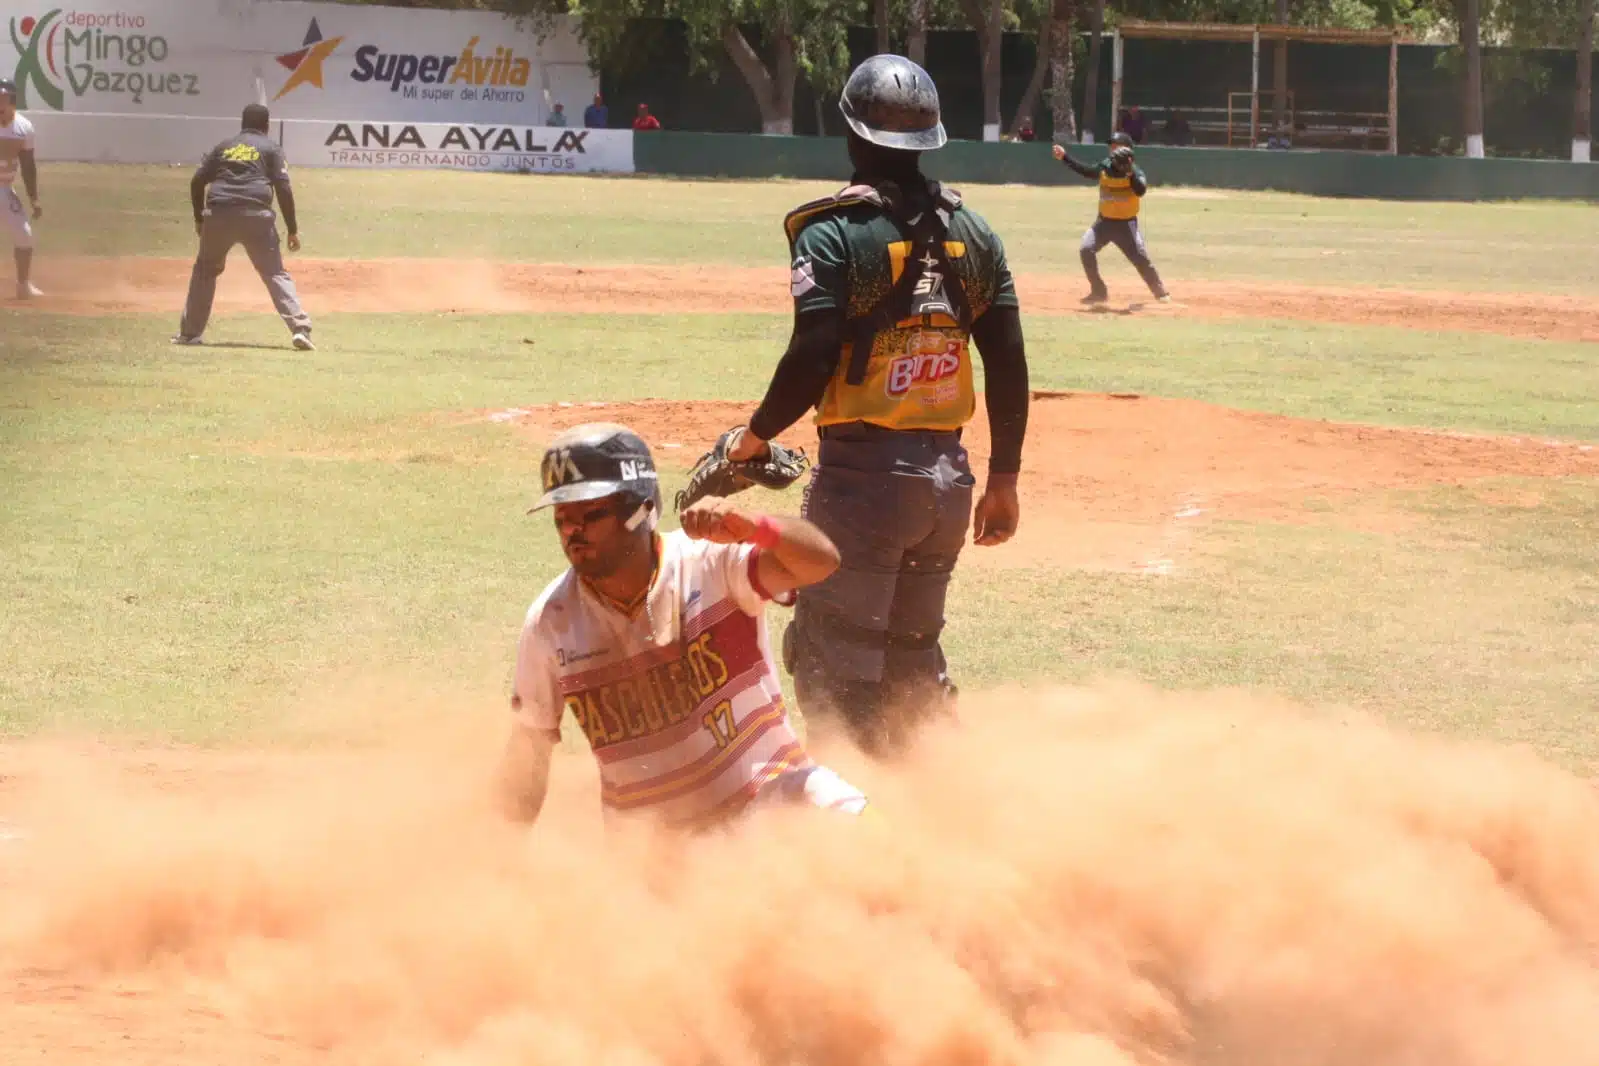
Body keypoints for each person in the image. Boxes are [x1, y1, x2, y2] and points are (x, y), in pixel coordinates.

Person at [708, 53, 1030, 759]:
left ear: (852, 136)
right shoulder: (973, 234)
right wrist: (1002, 479)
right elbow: (1006, 362)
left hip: (864, 486)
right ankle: (950, 808)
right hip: (949, 485)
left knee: (833, 662)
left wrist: (754, 439)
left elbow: (811, 353)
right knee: (913, 663)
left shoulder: (833, 231)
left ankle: (855, 833)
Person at [499, 422, 872, 833]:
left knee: (861, 836)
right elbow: (527, 756)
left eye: (590, 515)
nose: (573, 531)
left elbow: (822, 561)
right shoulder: (551, 622)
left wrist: (755, 528)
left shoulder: (709, 563)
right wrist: (500, 864)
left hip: (769, 803)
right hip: (656, 853)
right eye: (561, 518)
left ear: (640, 509)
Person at [174, 103, 313, 350]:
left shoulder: (224, 147)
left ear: (242, 124)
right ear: (266, 126)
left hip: (218, 213)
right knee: (274, 273)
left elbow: (197, 181)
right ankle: (300, 328)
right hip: (256, 214)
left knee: (205, 271)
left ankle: (190, 334)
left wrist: (199, 218)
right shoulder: (270, 148)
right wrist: (292, 228)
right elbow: (283, 187)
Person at [1053, 132, 1171, 305]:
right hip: (1104, 224)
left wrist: (1130, 173)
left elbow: (1141, 190)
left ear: (1128, 149)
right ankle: (1099, 291)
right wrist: (1065, 157)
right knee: (1086, 249)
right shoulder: (1105, 167)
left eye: (1116, 145)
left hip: (1126, 225)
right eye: (1111, 146)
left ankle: (1160, 292)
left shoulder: (1135, 172)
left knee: (1141, 259)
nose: (1112, 149)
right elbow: (1087, 171)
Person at [0, 78, 43, 300]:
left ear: (12, 99)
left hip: (4, 190)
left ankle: (23, 285)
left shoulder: (24, 128)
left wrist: (34, 199)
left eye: (4, 97)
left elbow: (28, 166)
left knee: (24, 236)